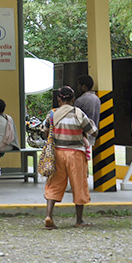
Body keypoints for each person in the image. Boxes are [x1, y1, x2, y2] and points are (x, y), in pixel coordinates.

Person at [43, 86, 98, 229]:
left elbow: (44, 131)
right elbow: (93, 132)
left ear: (59, 99)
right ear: (73, 99)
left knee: (54, 183)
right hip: (76, 154)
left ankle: (49, 215)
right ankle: (79, 220)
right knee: (79, 185)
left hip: (57, 153)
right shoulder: (78, 113)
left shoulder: (52, 114)